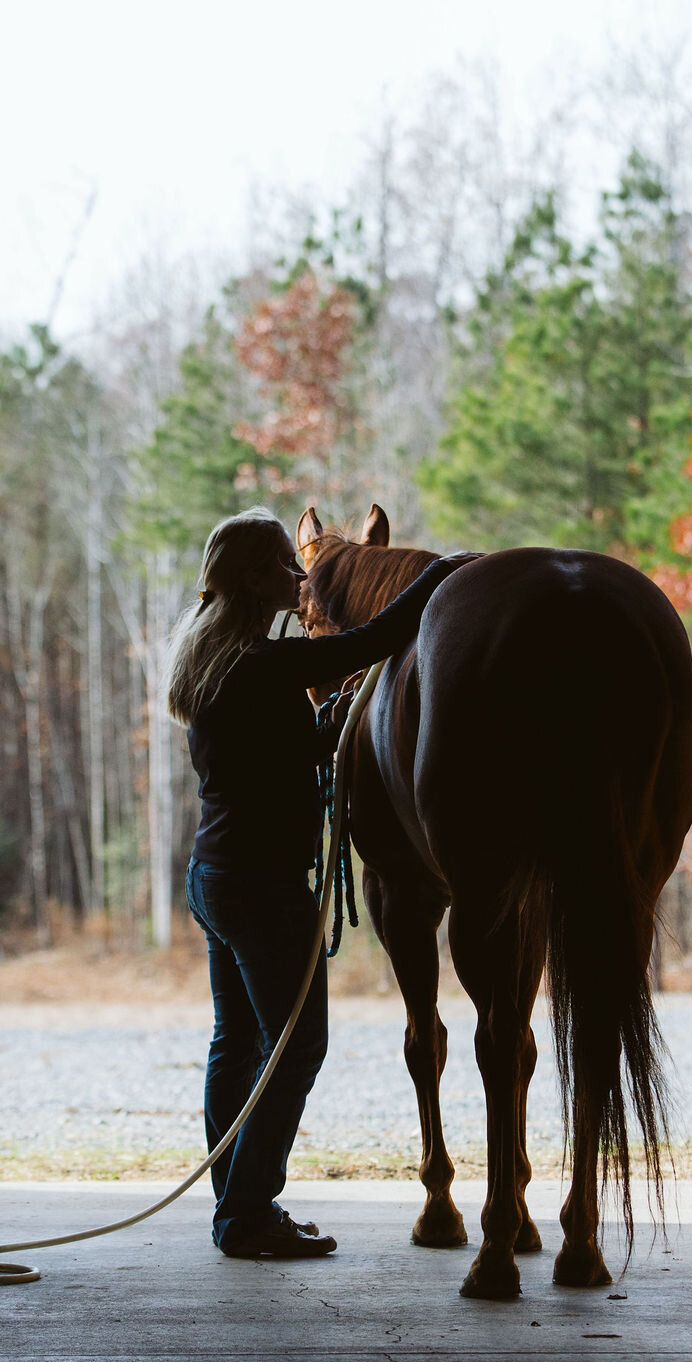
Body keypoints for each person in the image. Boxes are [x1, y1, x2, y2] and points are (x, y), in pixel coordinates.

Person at [166, 507, 473, 1258]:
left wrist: (328, 725)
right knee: (296, 1048)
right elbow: (373, 640)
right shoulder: (264, 662)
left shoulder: (210, 658)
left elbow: (271, 751)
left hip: (215, 873)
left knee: (236, 1042)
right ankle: (248, 1211)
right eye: (281, 564)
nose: (298, 578)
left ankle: (233, 1201)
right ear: (250, 576)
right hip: (263, 884)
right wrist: (441, 571)